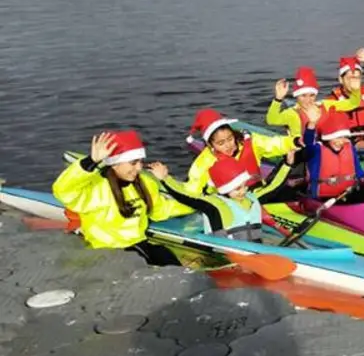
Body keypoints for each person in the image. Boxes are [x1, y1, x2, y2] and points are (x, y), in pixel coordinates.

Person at [52, 130, 193, 264]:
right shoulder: (94, 188)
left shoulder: (144, 182)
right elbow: (63, 189)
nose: (138, 168)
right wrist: (90, 161)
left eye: (140, 162)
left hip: (139, 245)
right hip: (108, 252)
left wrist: (194, 206)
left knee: (166, 256)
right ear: (115, 164)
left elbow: (160, 210)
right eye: (133, 163)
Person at [170, 107, 297, 198]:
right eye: (221, 143)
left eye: (230, 139)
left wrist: (295, 142)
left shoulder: (249, 142)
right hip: (228, 201)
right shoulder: (204, 163)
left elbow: (274, 144)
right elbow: (192, 191)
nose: (228, 145)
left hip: (258, 193)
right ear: (210, 144)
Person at [266, 66, 354, 140]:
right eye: (303, 96)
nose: (308, 100)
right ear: (297, 96)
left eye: (312, 95)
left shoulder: (326, 105)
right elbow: (271, 120)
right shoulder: (292, 114)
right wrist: (278, 98)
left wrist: (355, 89)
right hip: (302, 152)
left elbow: (352, 104)